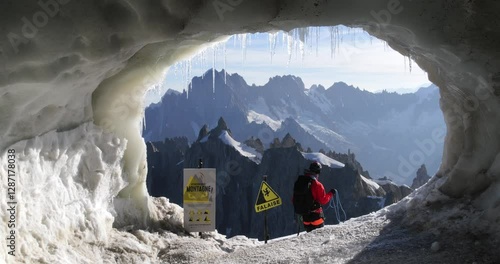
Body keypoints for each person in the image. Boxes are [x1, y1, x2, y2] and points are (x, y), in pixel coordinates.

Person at [293, 161, 336, 232]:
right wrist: (331, 193)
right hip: (316, 219)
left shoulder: (301, 183)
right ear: (318, 172)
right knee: (319, 240)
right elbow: (323, 200)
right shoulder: (317, 185)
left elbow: (294, 199)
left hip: (305, 219)